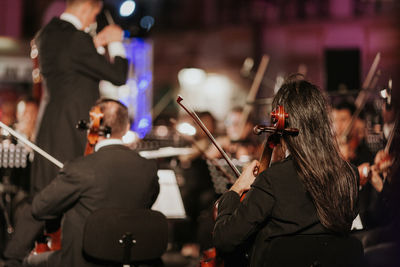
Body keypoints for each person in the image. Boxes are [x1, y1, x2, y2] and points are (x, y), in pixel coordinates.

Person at [213, 76, 359, 266]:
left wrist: (235, 190)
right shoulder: (349, 175)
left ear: (282, 125)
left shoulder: (272, 181)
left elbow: (225, 240)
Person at [23, 99, 159, 267]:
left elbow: (39, 207)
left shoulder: (79, 169)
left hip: (81, 262)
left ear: (93, 127)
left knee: (30, 262)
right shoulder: (148, 169)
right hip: (131, 260)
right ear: (126, 127)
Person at [32, 0, 128, 195]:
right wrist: (116, 42)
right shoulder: (78, 39)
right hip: (76, 126)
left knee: (49, 193)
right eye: (94, 15)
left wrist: (95, 44)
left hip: (49, 127)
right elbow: (118, 76)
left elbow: (69, 61)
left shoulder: (46, 34)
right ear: (86, 9)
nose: (93, 21)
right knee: (77, 189)